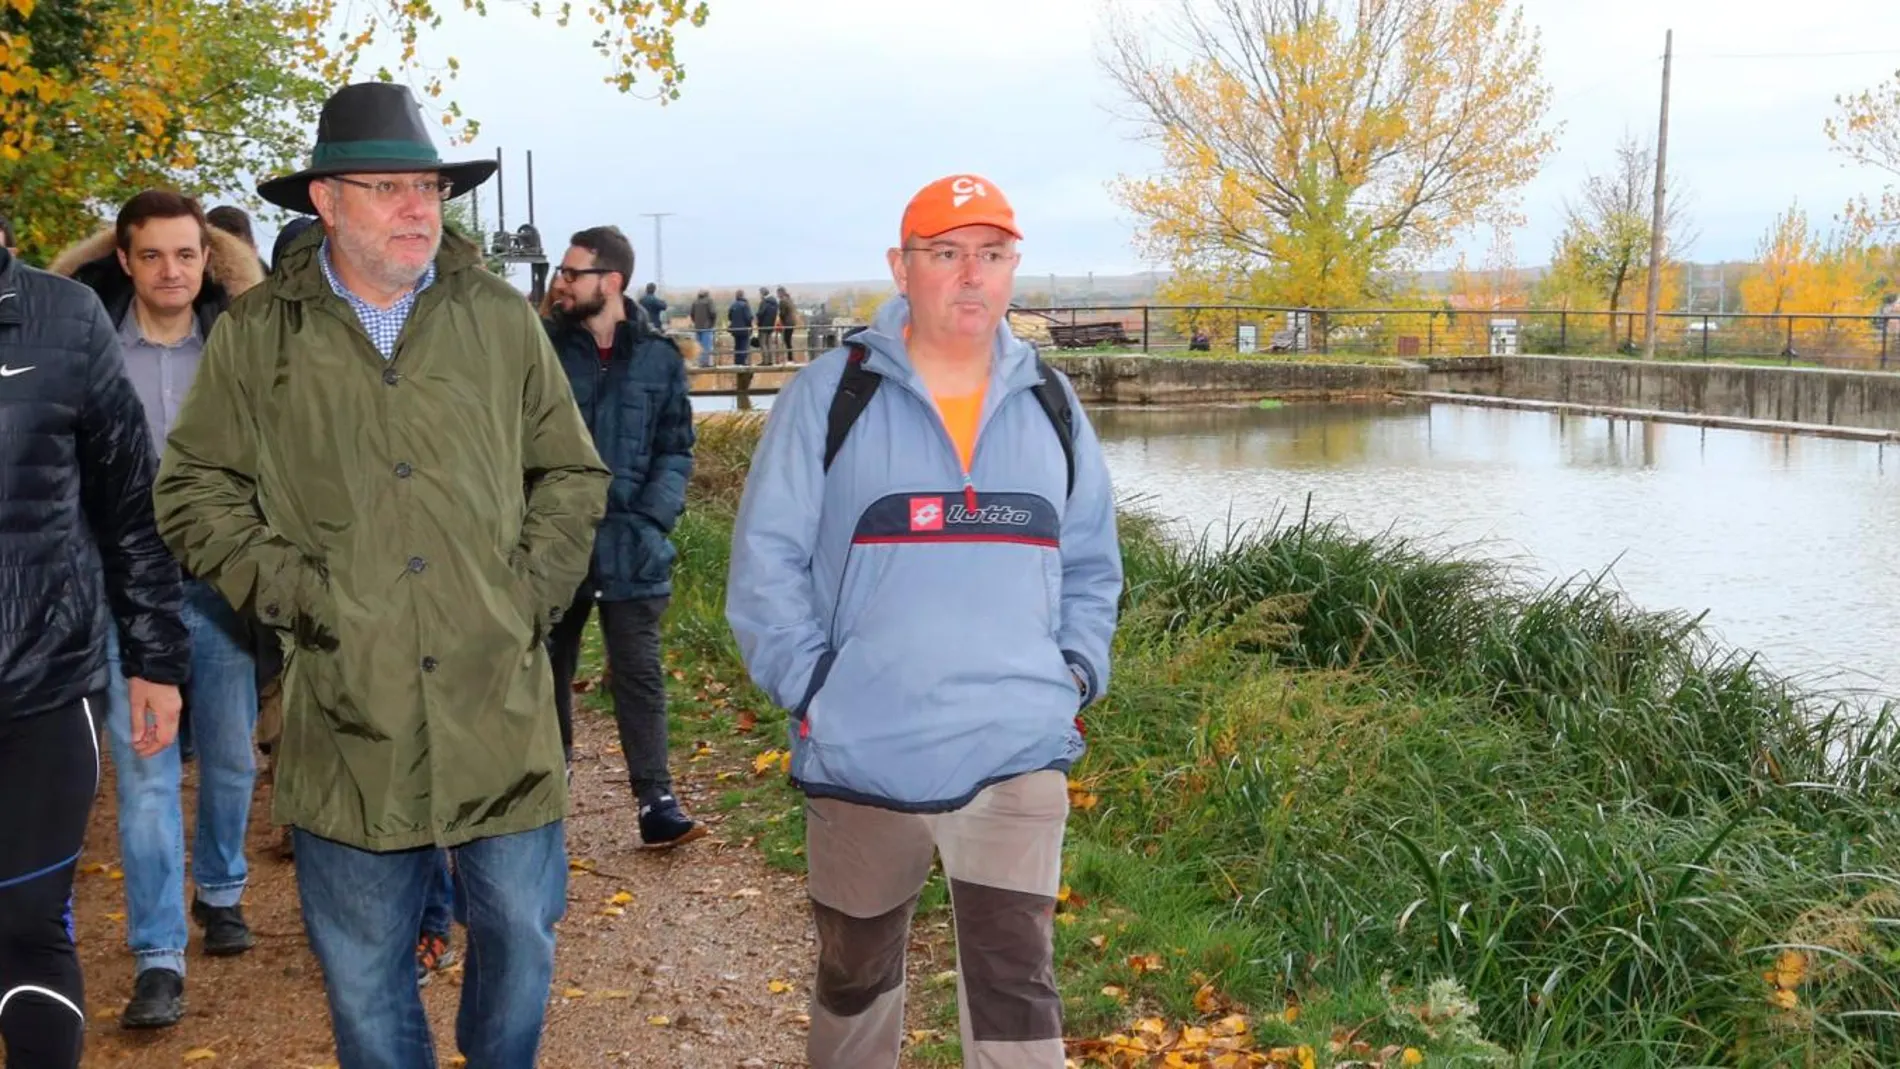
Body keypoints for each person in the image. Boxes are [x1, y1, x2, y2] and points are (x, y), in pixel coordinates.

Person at [151, 82, 610, 1069]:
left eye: (429, 186)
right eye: (390, 187)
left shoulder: (496, 318)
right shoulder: (260, 336)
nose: (417, 208)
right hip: (348, 716)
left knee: (523, 940)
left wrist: (523, 597)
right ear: (323, 200)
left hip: (499, 708)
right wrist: (304, 601)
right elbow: (193, 490)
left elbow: (570, 470)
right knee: (363, 981)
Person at [726, 174, 1124, 1069]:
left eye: (991, 254)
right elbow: (764, 569)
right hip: (864, 756)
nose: (970, 276)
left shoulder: (1052, 404)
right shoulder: (831, 399)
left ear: (1014, 268)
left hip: (1016, 752)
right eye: (945, 254)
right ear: (902, 268)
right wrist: (821, 691)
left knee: (1019, 996)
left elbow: (1094, 564)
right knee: (855, 987)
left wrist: (1069, 677)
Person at [49, 190, 265, 1029]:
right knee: (144, 775)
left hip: (220, 583)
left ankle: (221, 888)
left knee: (232, 757)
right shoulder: (93, 354)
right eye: (152, 255)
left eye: (186, 254)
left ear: (206, 261)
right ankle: (157, 957)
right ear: (125, 261)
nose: (170, 271)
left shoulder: (240, 349)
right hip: (124, 592)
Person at [0, 215, 190, 1068]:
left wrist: (154, 660)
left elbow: (130, 508)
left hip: (42, 682)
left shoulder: (67, 319)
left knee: (24, 923)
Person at [545, 226, 703, 848]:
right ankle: (545, 790)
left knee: (638, 672)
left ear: (610, 282)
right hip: (554, 543)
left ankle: (655, 800)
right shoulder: (541, 349)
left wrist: (650, 518)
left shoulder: (659, 358)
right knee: (544, 668)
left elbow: (676, 446)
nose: (560, 281)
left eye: (572, 272)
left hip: (633, 542)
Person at [689, 288, 718, 367]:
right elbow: (713, 313)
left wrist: (696, 322)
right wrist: (712, 323)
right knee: (707, 346)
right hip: (707, 327)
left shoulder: (695, 302)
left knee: (698, 346)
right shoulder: (709, 301)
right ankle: (706, 363)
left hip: (697, 327)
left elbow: (692, 314)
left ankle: (699, 362)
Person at [756, 285, 781, 365]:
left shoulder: (764, 302)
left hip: (763, 325)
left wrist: (758, 318)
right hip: (771, 325)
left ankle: (765, 361)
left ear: (762, 294)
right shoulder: (775, 302)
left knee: (763, 344)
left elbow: (761, 313)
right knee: (769, 343)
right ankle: (770, 361)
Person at [728, 289, 754, 366]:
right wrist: (750, 326)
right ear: (743, 295)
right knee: (743, 345)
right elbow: (748, 317)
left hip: (735, 329)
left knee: (737, 346)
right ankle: (742, 362)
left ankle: (737, 362)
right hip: (744, 329)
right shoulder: (745, 305)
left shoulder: (733, 305)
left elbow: (729, 317)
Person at [776, 285, 799, 362]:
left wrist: (780, 321)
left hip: (787, 323)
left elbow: (782, 313)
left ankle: (790, 358)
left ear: (781, 293)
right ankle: (790, 357)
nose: (777, 295)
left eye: (778, 293)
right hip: (792, 322)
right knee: (788, 340)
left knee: (787, 340)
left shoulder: (783, 301)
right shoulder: (789, 299)